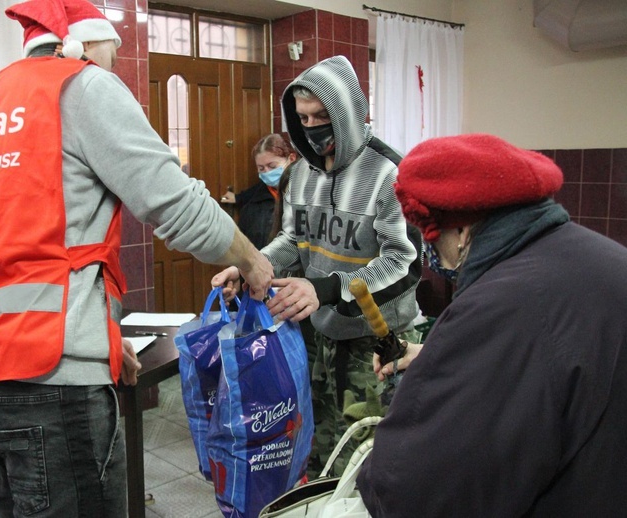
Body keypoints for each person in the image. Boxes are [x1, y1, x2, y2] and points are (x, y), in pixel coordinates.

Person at [0, 1, 273, 516]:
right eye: (113, 53)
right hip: (55, 386)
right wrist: (254, 263)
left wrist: (104, 337)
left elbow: (25, 252)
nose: (113, 66)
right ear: (86, 45)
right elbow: (176, 204)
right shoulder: (81, 85)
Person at [357, 134, 627, 517]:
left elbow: (419, 489)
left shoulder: (500, 305)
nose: (434, 255)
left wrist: (374, 479)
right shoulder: (602, 258)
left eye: (431, 237)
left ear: (463, 230)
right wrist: (444, 358)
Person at [212, 55, 423, 476]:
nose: (312, 127)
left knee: (369, 458)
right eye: (303, 118)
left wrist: (325, 288)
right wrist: (251, 266)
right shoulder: (301, 174)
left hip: (378, 341)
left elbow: (405, 262)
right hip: (319, 334)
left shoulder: (388, 173)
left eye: (322, 116)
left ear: (349, 114)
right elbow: (293, 239)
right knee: (319, 448)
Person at [220, 133, 297, 249]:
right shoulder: (255, 198)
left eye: (272, 166)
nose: (267, 172)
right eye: (261, 168)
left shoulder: (305, 193)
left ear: (291, 159)